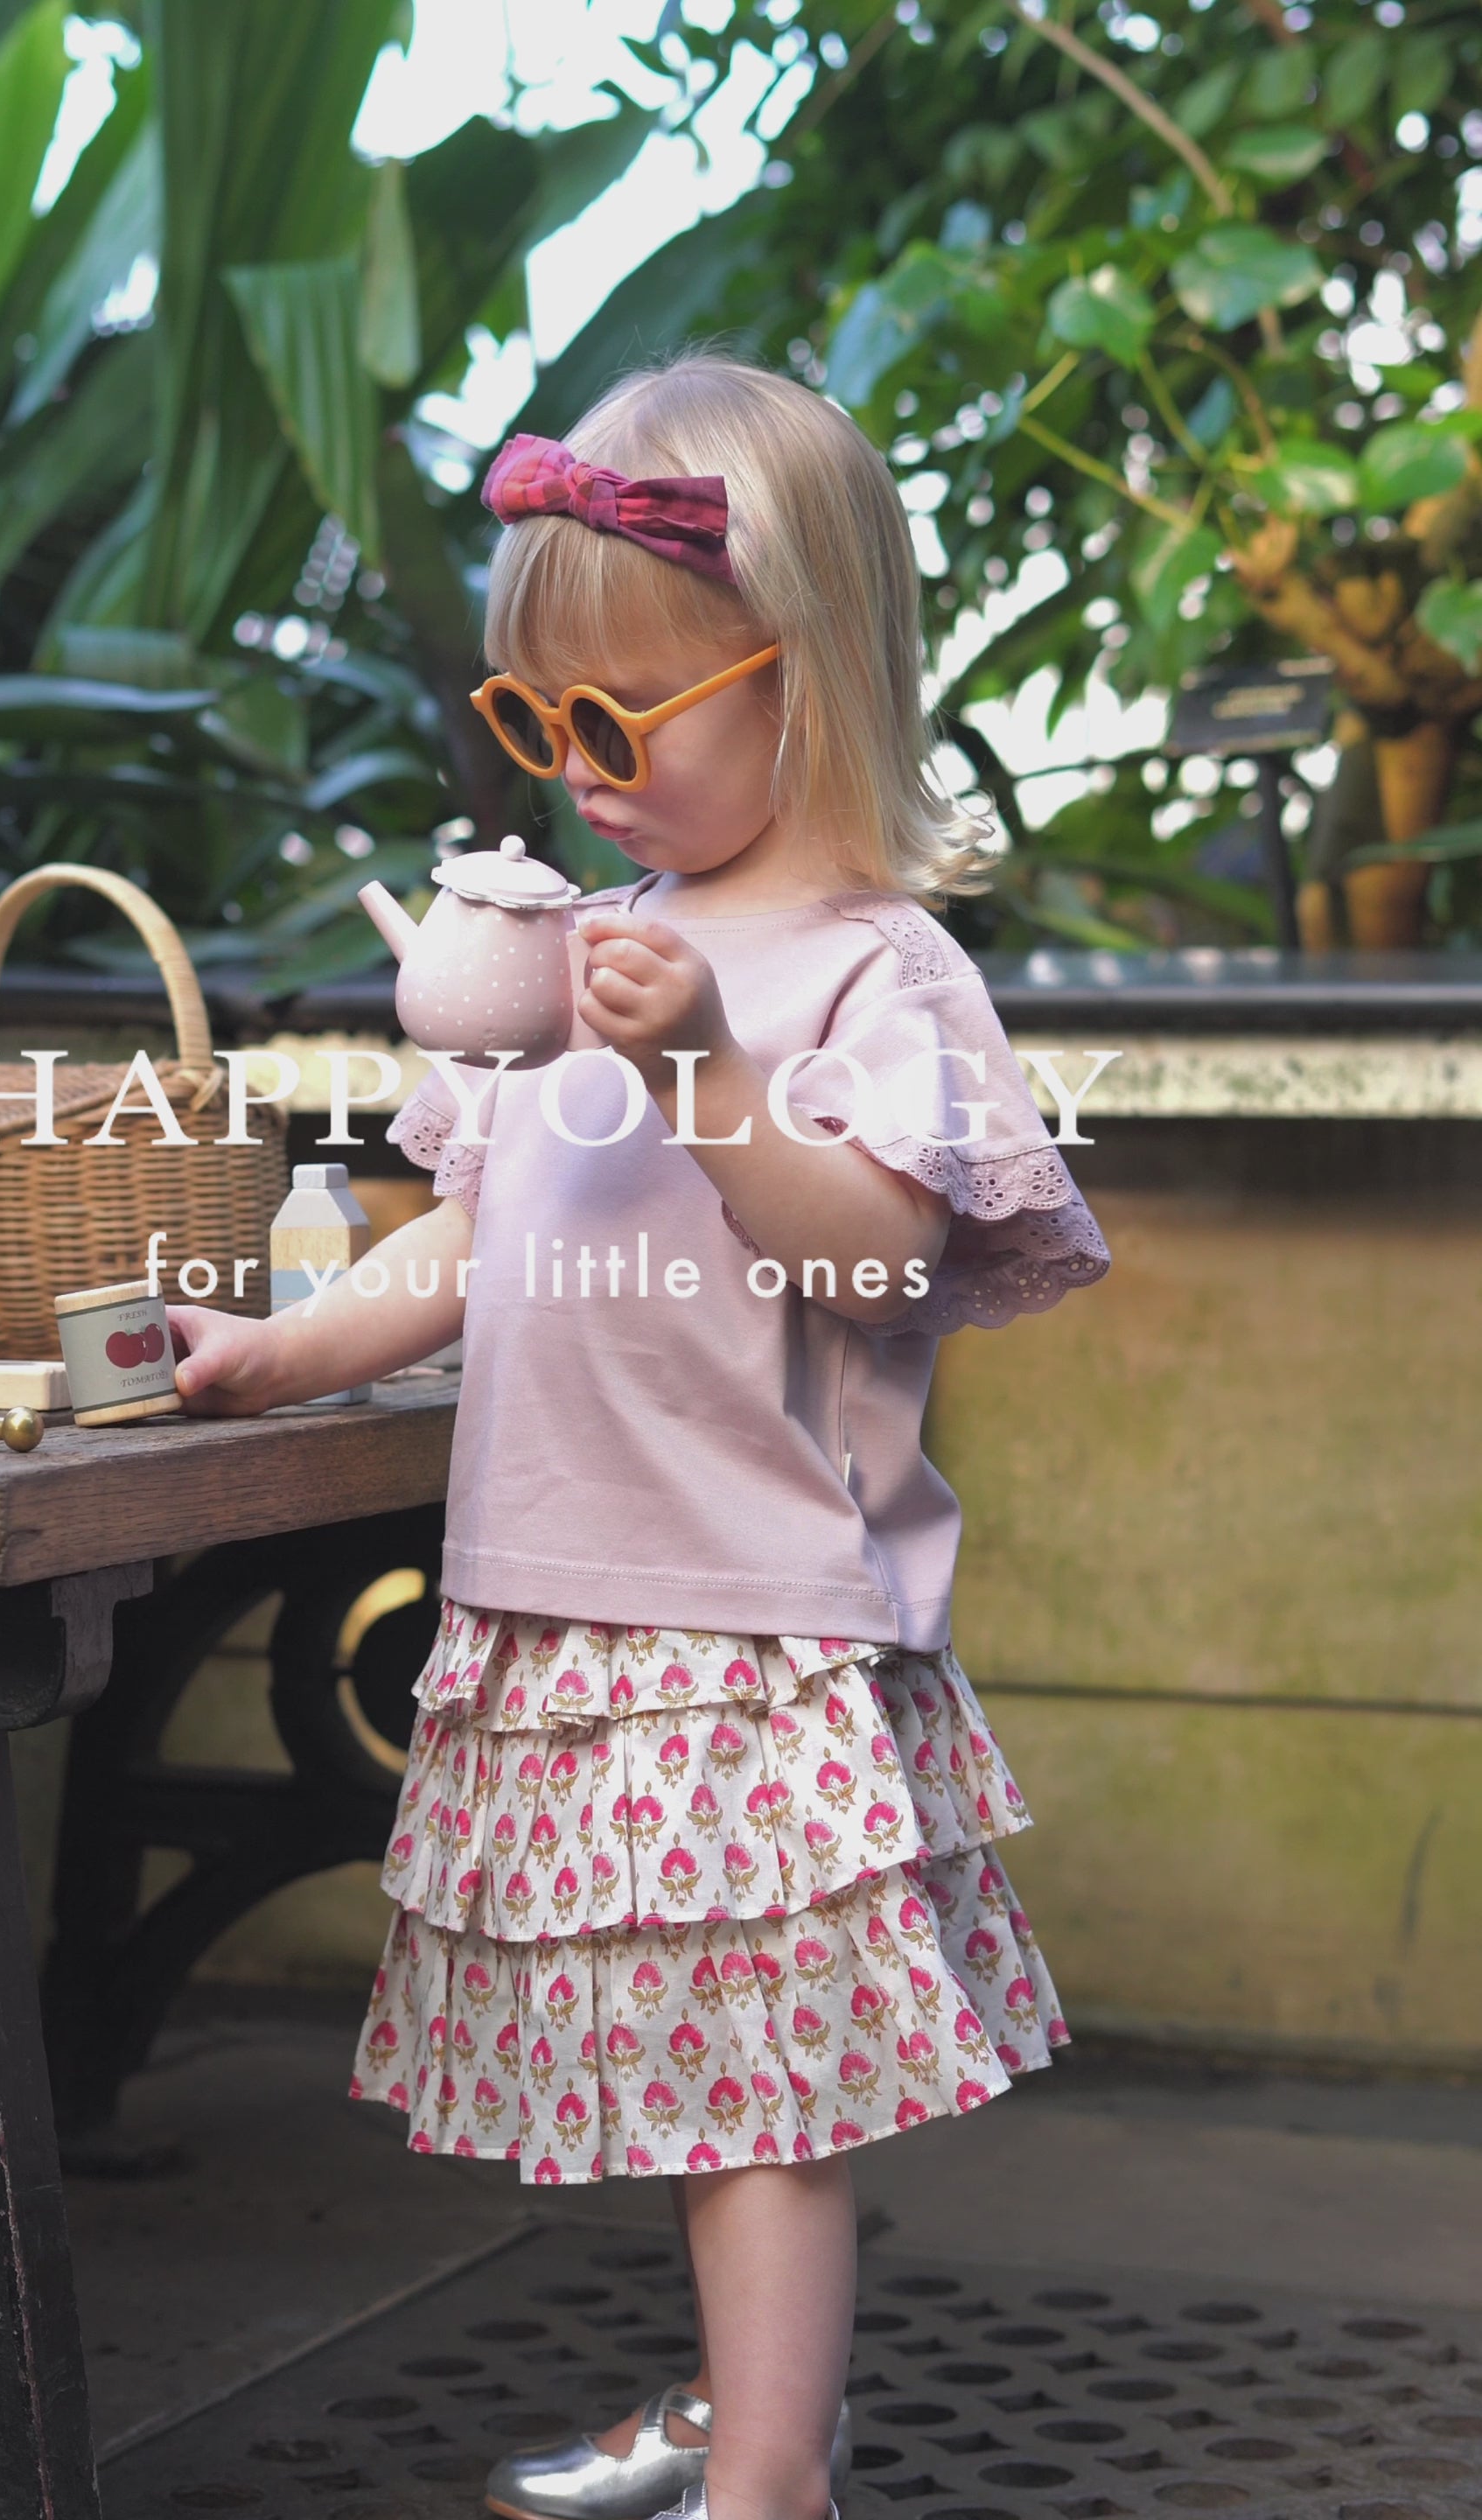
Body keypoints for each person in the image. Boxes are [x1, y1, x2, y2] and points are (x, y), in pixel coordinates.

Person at [169, 353, 1111, 2520]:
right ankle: (740, 2409)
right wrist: (282, 1354)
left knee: (762, 2087)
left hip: (752, 1610)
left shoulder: (870, 973)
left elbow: (872, 1261)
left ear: (813, 682)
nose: (579, 773)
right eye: (541, 724)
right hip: (565, 1598)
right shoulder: (590, 956)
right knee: (683, 2061)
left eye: (625, 723)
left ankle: (772, 2476)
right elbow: (472, 1235)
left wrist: (702, 1067)